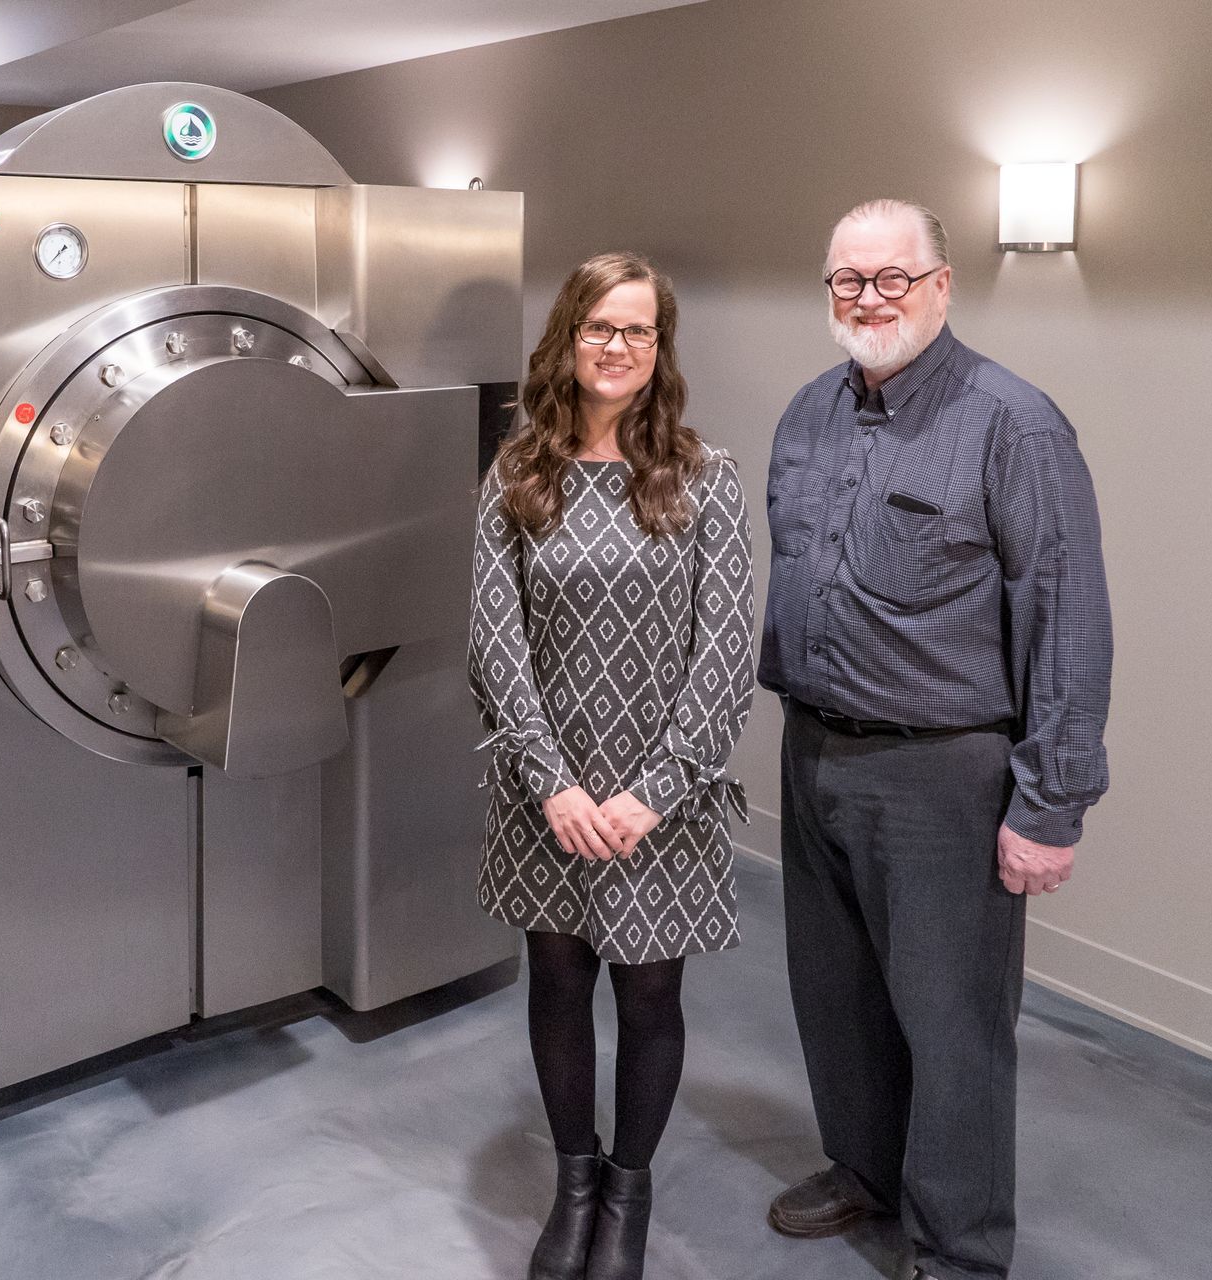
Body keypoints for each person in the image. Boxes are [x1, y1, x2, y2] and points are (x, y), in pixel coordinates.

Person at [759, 199, 1112, 1280]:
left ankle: (960, 1245)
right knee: (836, 993)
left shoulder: (1015, 423)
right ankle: (865, 1168)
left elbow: (1067, 621)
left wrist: (1049, 805)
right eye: (847, 279)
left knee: (953, 1023)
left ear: (941, 285)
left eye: (891, 277)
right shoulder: (808, 413)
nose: (868, 298)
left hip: (944, 773)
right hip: (816, 748)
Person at [471, 251, 755, 1280]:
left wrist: (657, 788)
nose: (618, 346)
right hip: (544, 790)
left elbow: (725, 649)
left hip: (656, 800)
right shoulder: (517, 472)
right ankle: (574, 1178)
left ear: (659, 349)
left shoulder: (705, 478)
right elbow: (493, 640)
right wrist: (552, 779)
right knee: (556, 978)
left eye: (638, 329)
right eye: (600, 325)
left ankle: (628, 1188)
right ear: (567, 337)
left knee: (646, 993)